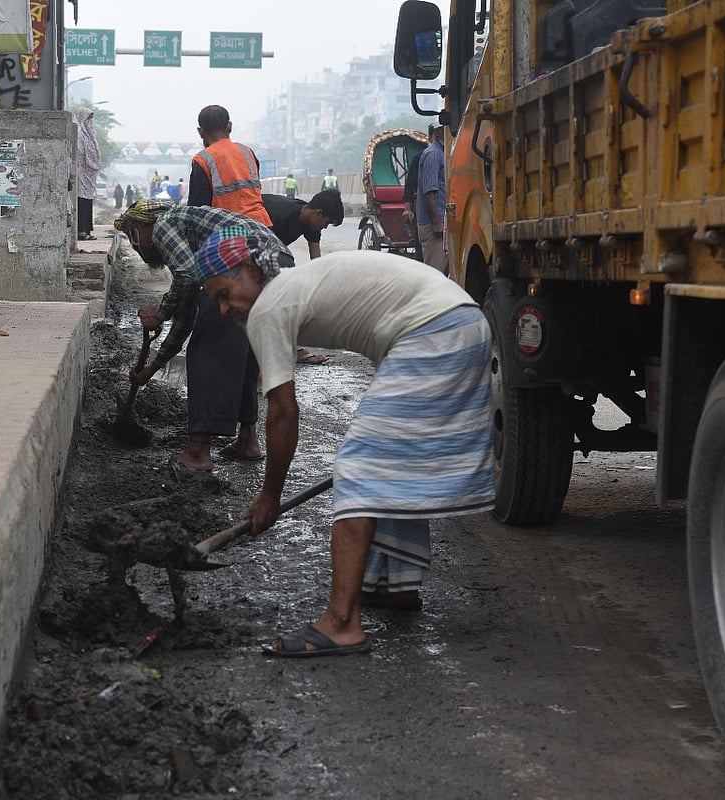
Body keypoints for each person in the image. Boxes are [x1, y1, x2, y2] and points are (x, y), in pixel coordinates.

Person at [190, 232, 494, 657]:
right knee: (390, 465)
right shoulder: (289, 290)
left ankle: (342, 624)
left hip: (433, 330)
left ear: (253, 272)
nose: (224, 309)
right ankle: (394, 584)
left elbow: (283, 413)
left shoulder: (269, 306)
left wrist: (270, 497)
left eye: (225, 294)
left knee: (360, 467)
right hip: (456, 322)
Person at [113, 199, 294, 472]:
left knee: (206, 352)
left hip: (243, 261)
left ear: (140, 229)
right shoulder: (193, 238)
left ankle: (198, 451)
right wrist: (152, 367)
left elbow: (186, 276)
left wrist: (160, 313)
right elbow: (186, 315)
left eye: (134, 239)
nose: (139, 250)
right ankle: (248, 440)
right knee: (243, 353)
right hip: (279, 262)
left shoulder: (164, 224)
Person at [260, 188, 346, 365]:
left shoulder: (310, 222)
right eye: (327, 222)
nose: (325, 227)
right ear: (318, 213)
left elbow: (316, 259)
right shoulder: (278, 214)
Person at [187, 105, 272, 227]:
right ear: (230, 126)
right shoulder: (247, 151)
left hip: (228, 230)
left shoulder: (202, 159)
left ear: (201, 132)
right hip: (262, 225)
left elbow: (197, 209)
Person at [417, 123, 448, 273]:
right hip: (433, 223)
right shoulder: (433, 154)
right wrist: (437, 221)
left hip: (441, 220)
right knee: (436, 273)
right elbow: (429, 190)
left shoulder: (442, 153)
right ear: (438, 133)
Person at [75, 108, 101, 241]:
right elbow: (79, 154)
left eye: (91, 118)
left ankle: (87, 230)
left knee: (88, 201)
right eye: (88, 118)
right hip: (80, 174)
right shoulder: (79, 134)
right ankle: (81, 231)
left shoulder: (90, 135)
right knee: (81, 201)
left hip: (89, 175)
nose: (90, 121)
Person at [401, 146, 424, 261]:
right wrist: (407, 208)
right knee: (420, 246)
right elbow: (410, 186)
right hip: (422, 209)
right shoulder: (420, 158)